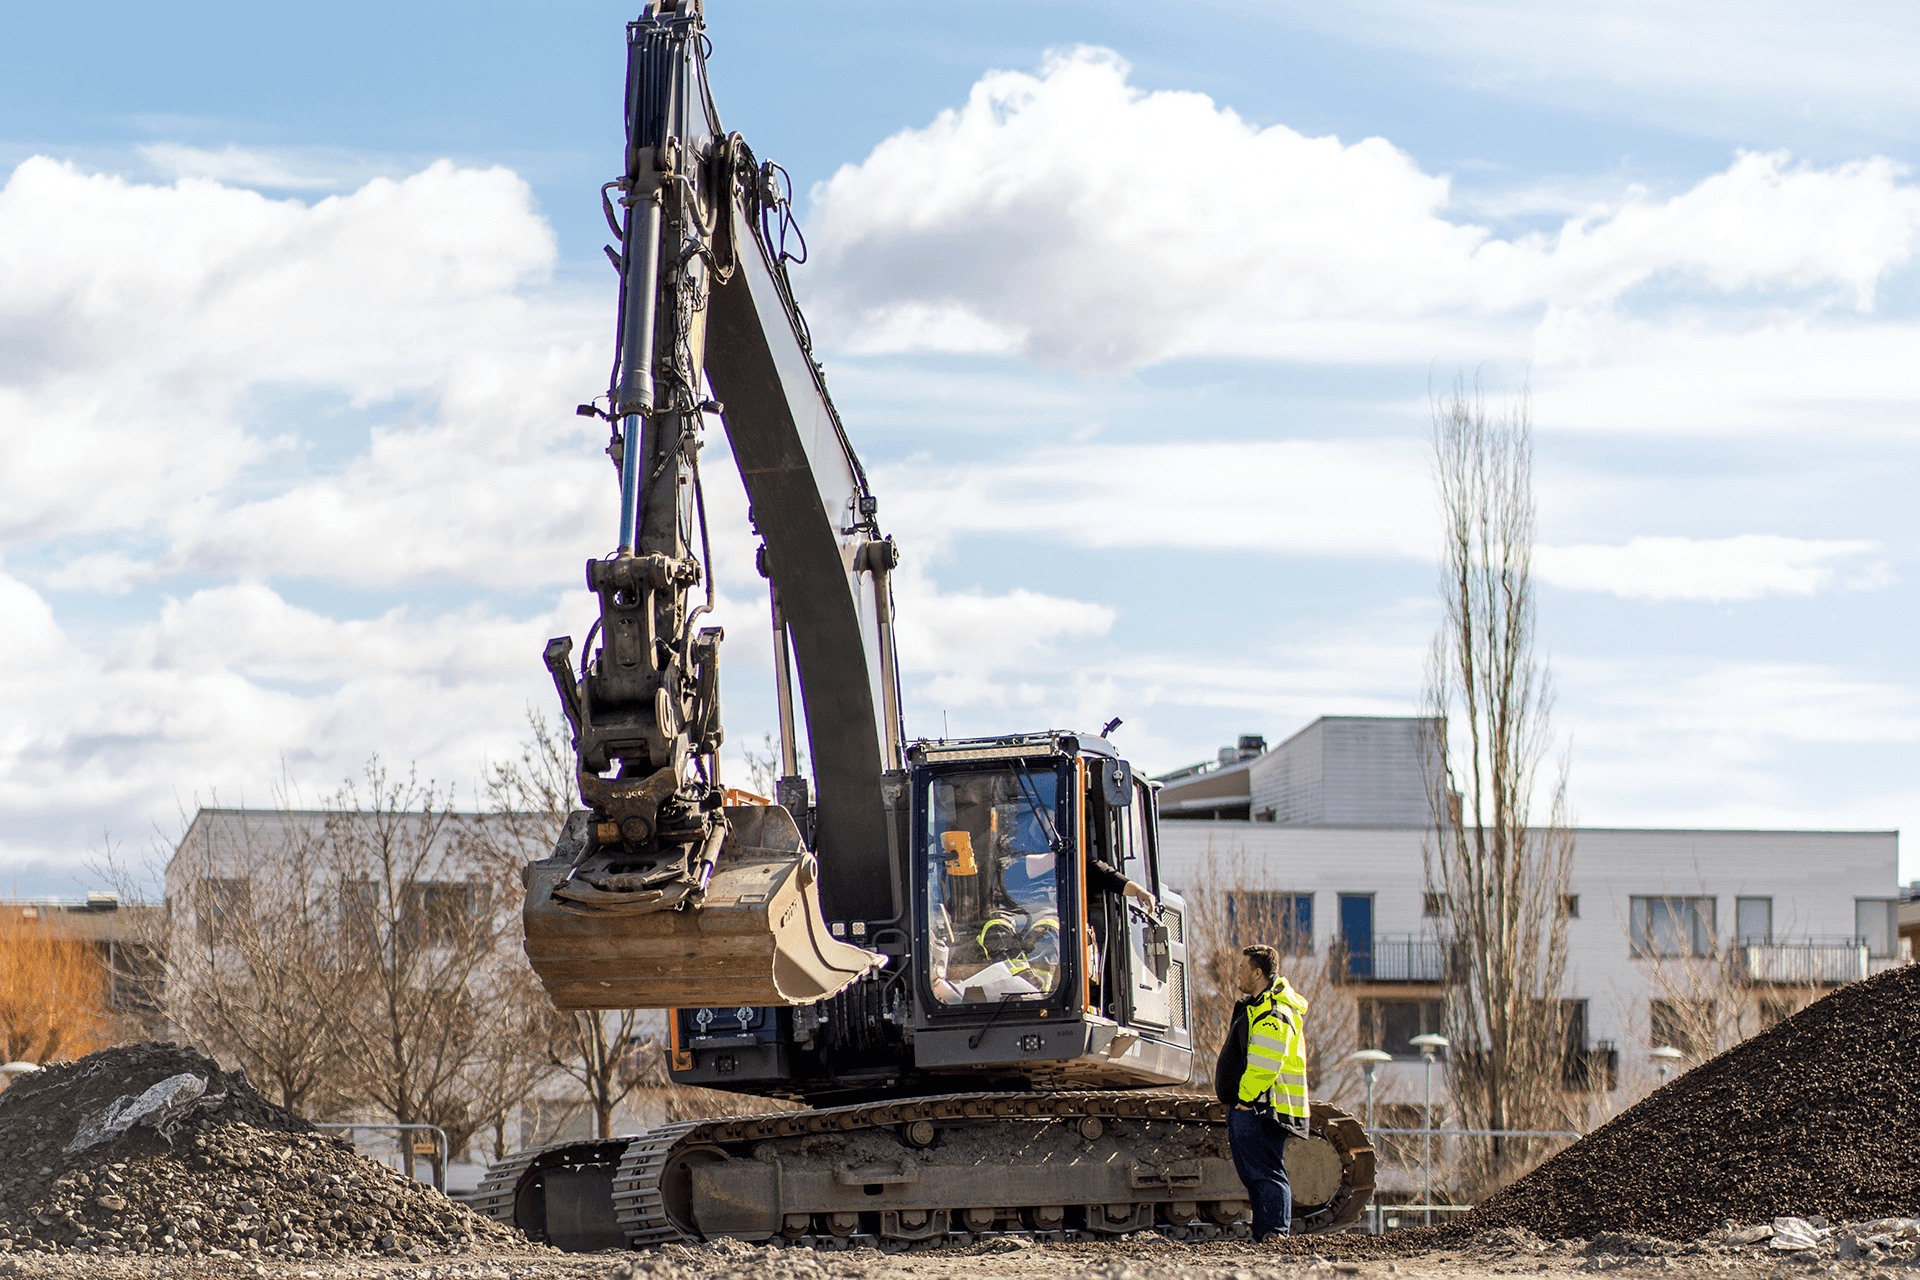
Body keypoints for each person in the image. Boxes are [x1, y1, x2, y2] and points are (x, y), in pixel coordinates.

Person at [1215, 943, 1311, 1242]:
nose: (1238, 974)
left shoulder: (1273, 1012)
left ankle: (1274, 1236)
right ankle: (1264, 1236)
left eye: (1243, 968)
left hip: (1263, 1108)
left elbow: (1266, 1063)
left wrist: (1245, 1100)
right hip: (1255, 1107)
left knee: (1267, 1174)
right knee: (1256, 1176)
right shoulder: (1258, 1007)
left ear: (1258, 973)